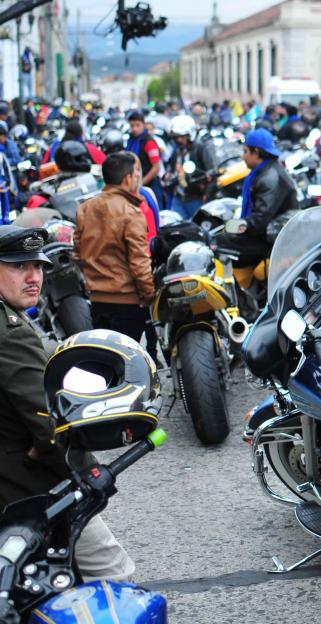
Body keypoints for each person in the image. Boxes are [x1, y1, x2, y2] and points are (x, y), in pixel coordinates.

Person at [0, 225, 135, 580]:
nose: (34, 277)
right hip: (27, 490)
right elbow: (48, 422)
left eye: (39, 266)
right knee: (113, 577)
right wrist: (86, 472)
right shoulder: (10, 332)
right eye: (18, 266)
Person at [74, 152, 154, 342]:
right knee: (127, 362)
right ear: (127, 178)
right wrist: (148, 294)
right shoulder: (131, 212)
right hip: (127, 302)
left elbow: (77, 254)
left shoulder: (85, 208)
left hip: (97, 301)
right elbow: (139, 262)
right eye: (135, 174)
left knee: (105, 360)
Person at [213, 129, 297, 268]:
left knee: (217, 244)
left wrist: (234, 227)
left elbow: (260, 220)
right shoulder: (265, 171)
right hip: (266, 234)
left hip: (271, 242)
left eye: (245, 151)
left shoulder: (270, 177)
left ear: (256, 152)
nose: (243, 156)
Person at [165, 114, 217, 220]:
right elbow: (171, 168)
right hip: (179, 197)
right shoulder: (177, 151)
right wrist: (168, 175)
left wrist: (206, 195)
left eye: (181, 137)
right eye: (176, 137)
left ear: (190, 135)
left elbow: (213, 173)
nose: (178, 140)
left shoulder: (201, 149)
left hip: (196, 198)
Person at [126, 110, 164, 209]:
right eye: (132, 126)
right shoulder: (130, 140)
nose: (134, 129)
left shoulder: (149, 142)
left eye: (137, 125)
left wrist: (141, 183)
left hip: (149, 186)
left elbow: (156, 167)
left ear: (143, 125)